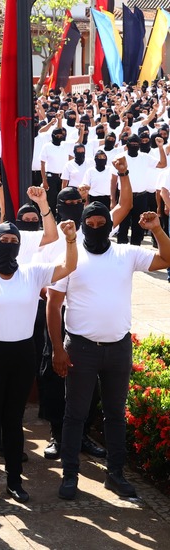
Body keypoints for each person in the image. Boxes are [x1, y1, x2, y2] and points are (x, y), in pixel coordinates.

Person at [48, 204, 170, 501]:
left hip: (118, 347)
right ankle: (69, 475)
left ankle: (115, 475)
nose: (96, 227)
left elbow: (166, 258)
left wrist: (156, 229)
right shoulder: (70, 257)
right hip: (81, 348)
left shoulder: (125, 254)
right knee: (75, 415)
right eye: (90, 223)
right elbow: (53, 306)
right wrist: (56, 350)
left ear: (110, 226)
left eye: (102, 222)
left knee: (115, 414)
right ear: (82, 225)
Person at [0, 220, 77, 504]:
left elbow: (67, 267)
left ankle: (14, 480)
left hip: (23, 354)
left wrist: (71, 240)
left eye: (14, 241)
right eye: (4, 240)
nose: (9, 244)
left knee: (13, 419)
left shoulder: (32, 274)